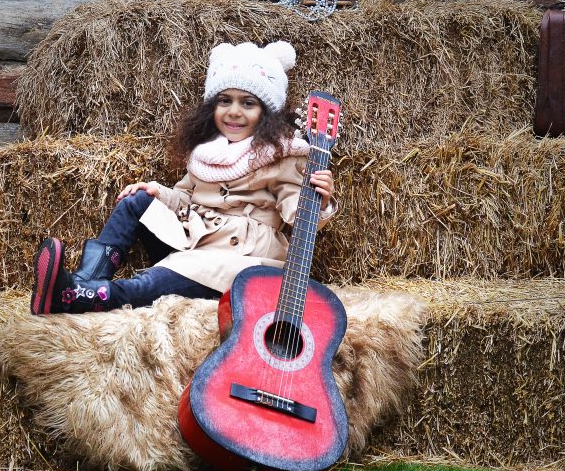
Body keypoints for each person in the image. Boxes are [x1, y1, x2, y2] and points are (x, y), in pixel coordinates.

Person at [30, 40, 337, 315]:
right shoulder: (207, 152)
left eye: (248, 103)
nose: (233, 111)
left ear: (267, 112)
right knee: (137, 201)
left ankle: (78, 298)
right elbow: (186, 199)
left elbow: (297, 214)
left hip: (239, 256)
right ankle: (85, 282)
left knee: (156, 281)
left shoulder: (282, 155)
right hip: (196, 238)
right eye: (224, 100)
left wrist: (318, 200)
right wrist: (157, 193)